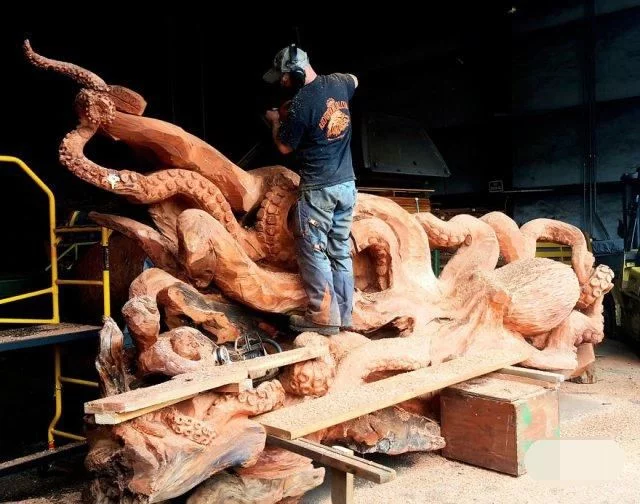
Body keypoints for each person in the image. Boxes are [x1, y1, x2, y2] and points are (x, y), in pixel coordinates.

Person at [263, 44, 358, 336]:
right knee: (339, 250)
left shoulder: (302, 103)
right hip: (347, 184)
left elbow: (284, 146)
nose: (282, 83)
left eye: (284, 77)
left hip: (320, 190)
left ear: (296, 73)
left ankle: (322, 317)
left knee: (314, 250)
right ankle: (344, 316)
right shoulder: (340, 83)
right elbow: (355, 80)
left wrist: (275, 122)